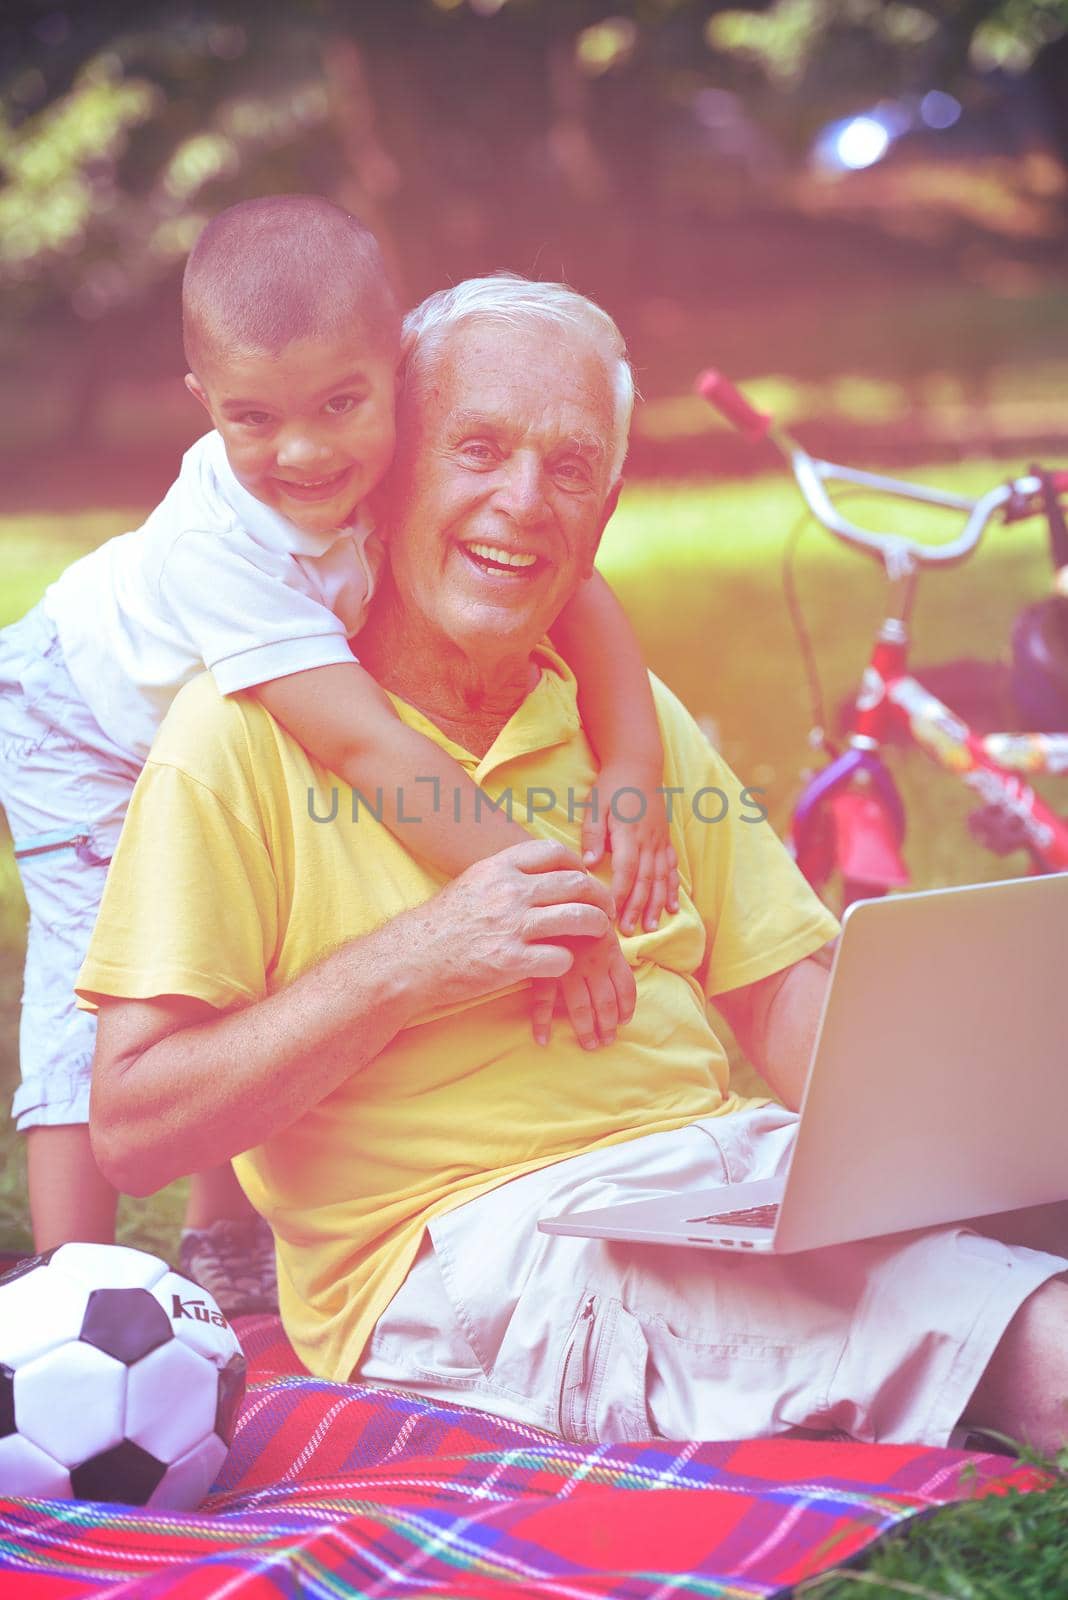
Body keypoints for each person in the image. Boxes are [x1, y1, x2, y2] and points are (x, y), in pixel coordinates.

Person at [82, 276, 1068, 1452]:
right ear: (389, 482)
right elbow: (135, 1124)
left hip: (727, 1179)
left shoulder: (626, 720)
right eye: (481, 448)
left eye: (568, 468)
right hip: (475, 1244)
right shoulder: (236, 733)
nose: (523, 502)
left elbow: (781, 994)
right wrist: (412, 962)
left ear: (603, 515)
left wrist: (958, 1133)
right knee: (1007, 1327)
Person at [0, 199, 678, 1308]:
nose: (306, 451)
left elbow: (580, 587)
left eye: (340, 406)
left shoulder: (404, 431)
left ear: (397, 371)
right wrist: (560, 901)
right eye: (252, 419)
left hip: (204, 715)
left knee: (245, 935)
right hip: (79, 718)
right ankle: (65, 1290)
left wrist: (633, 774)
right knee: (107, 987)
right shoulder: (222, 549)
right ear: (202, 406)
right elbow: (366, 746)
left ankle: (224, 1240)